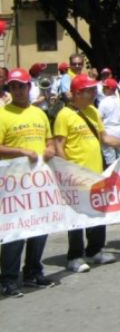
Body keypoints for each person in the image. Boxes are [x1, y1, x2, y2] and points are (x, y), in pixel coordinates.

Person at [54, 74, 120, 272]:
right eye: (89, 91)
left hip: (95, 173)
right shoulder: (64, 115)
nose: (93, 94)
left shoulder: (92, 111)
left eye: (93, 90)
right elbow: (58, 145)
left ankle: (95, 251)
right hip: (75, 175)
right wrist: (66, 171)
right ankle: (74, 256)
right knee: (76, 218)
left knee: (98, 213)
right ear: (77, 93)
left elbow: (104, 137)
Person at [0, 68, 57, 298]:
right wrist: (20, 151)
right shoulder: (3, 114)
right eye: (13, 86)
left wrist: (51, 149)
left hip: (39, 184)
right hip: (14, 186)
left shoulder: (40, 114)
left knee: (39, 227)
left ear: (29, 87)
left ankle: (33, 271)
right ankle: (9, 279)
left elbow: (50, 141)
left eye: (21, 86)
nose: (17, 90)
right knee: (15, 231)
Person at [98, 78, 120, 166]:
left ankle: (111, 178)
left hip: (108, 131)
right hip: (119, 131)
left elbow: (100, 119)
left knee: (110, 159)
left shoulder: (103, 102)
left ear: (110, 89)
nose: (103, 89)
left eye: (105, 87)